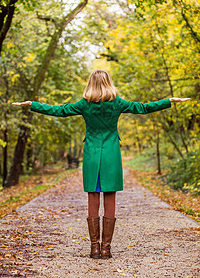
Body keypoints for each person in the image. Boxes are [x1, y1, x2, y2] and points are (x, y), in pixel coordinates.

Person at [12, 69, 191, 259]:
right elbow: (144, 108)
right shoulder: (118, 103)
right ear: (108, 83)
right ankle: (106, 248)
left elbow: (59, 110)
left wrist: (32, 104)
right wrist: (169, 101)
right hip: (111, 155)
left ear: (90, 83)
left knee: (93, 197)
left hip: (91, 155)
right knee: (110, 197)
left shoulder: (84, 105)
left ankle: (94, 248)